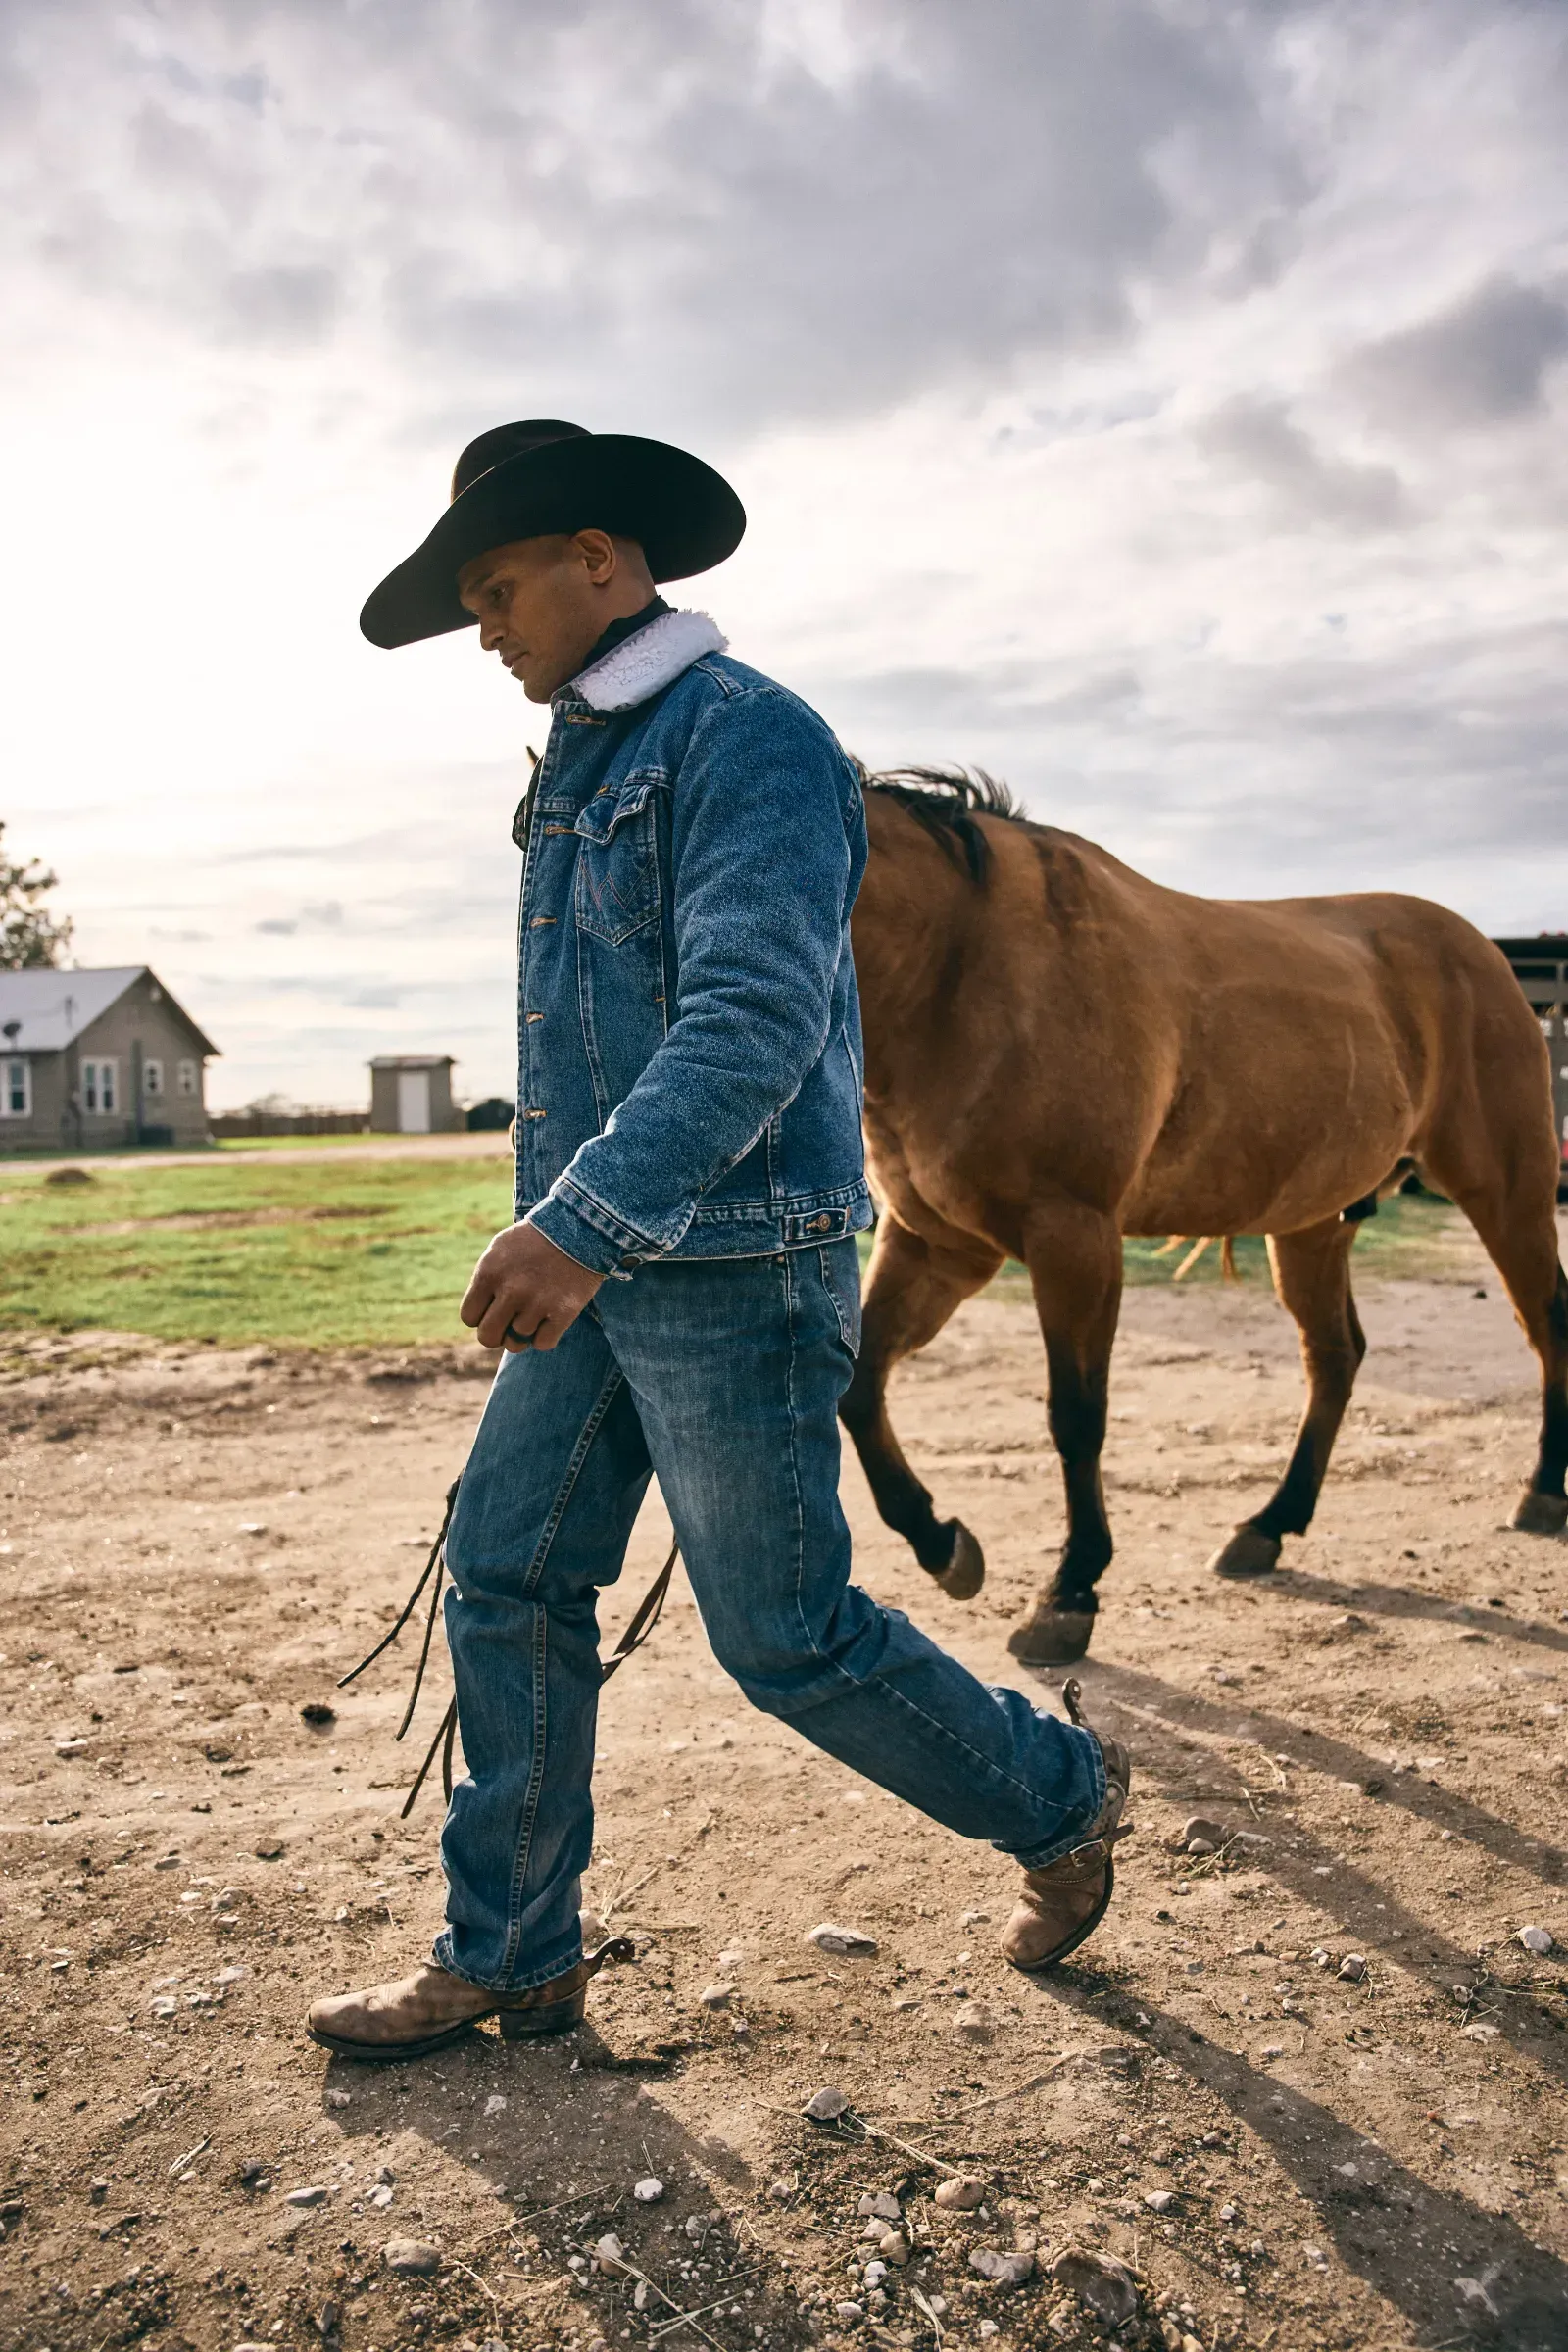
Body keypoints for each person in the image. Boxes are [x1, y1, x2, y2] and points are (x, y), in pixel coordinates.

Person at [306, 421, 1132, 2060]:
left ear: (601, 559)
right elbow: (598, 1040)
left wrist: (580, 1227)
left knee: (786, 1636)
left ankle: (1064, 1794)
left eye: (498, 588)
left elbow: (753, 1022)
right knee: (511, 1569)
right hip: (608, 1257)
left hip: (736, 1265)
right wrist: (570, 1221)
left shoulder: (748, 738)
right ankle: (516, 1951)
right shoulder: (586, 760)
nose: (484, 631)